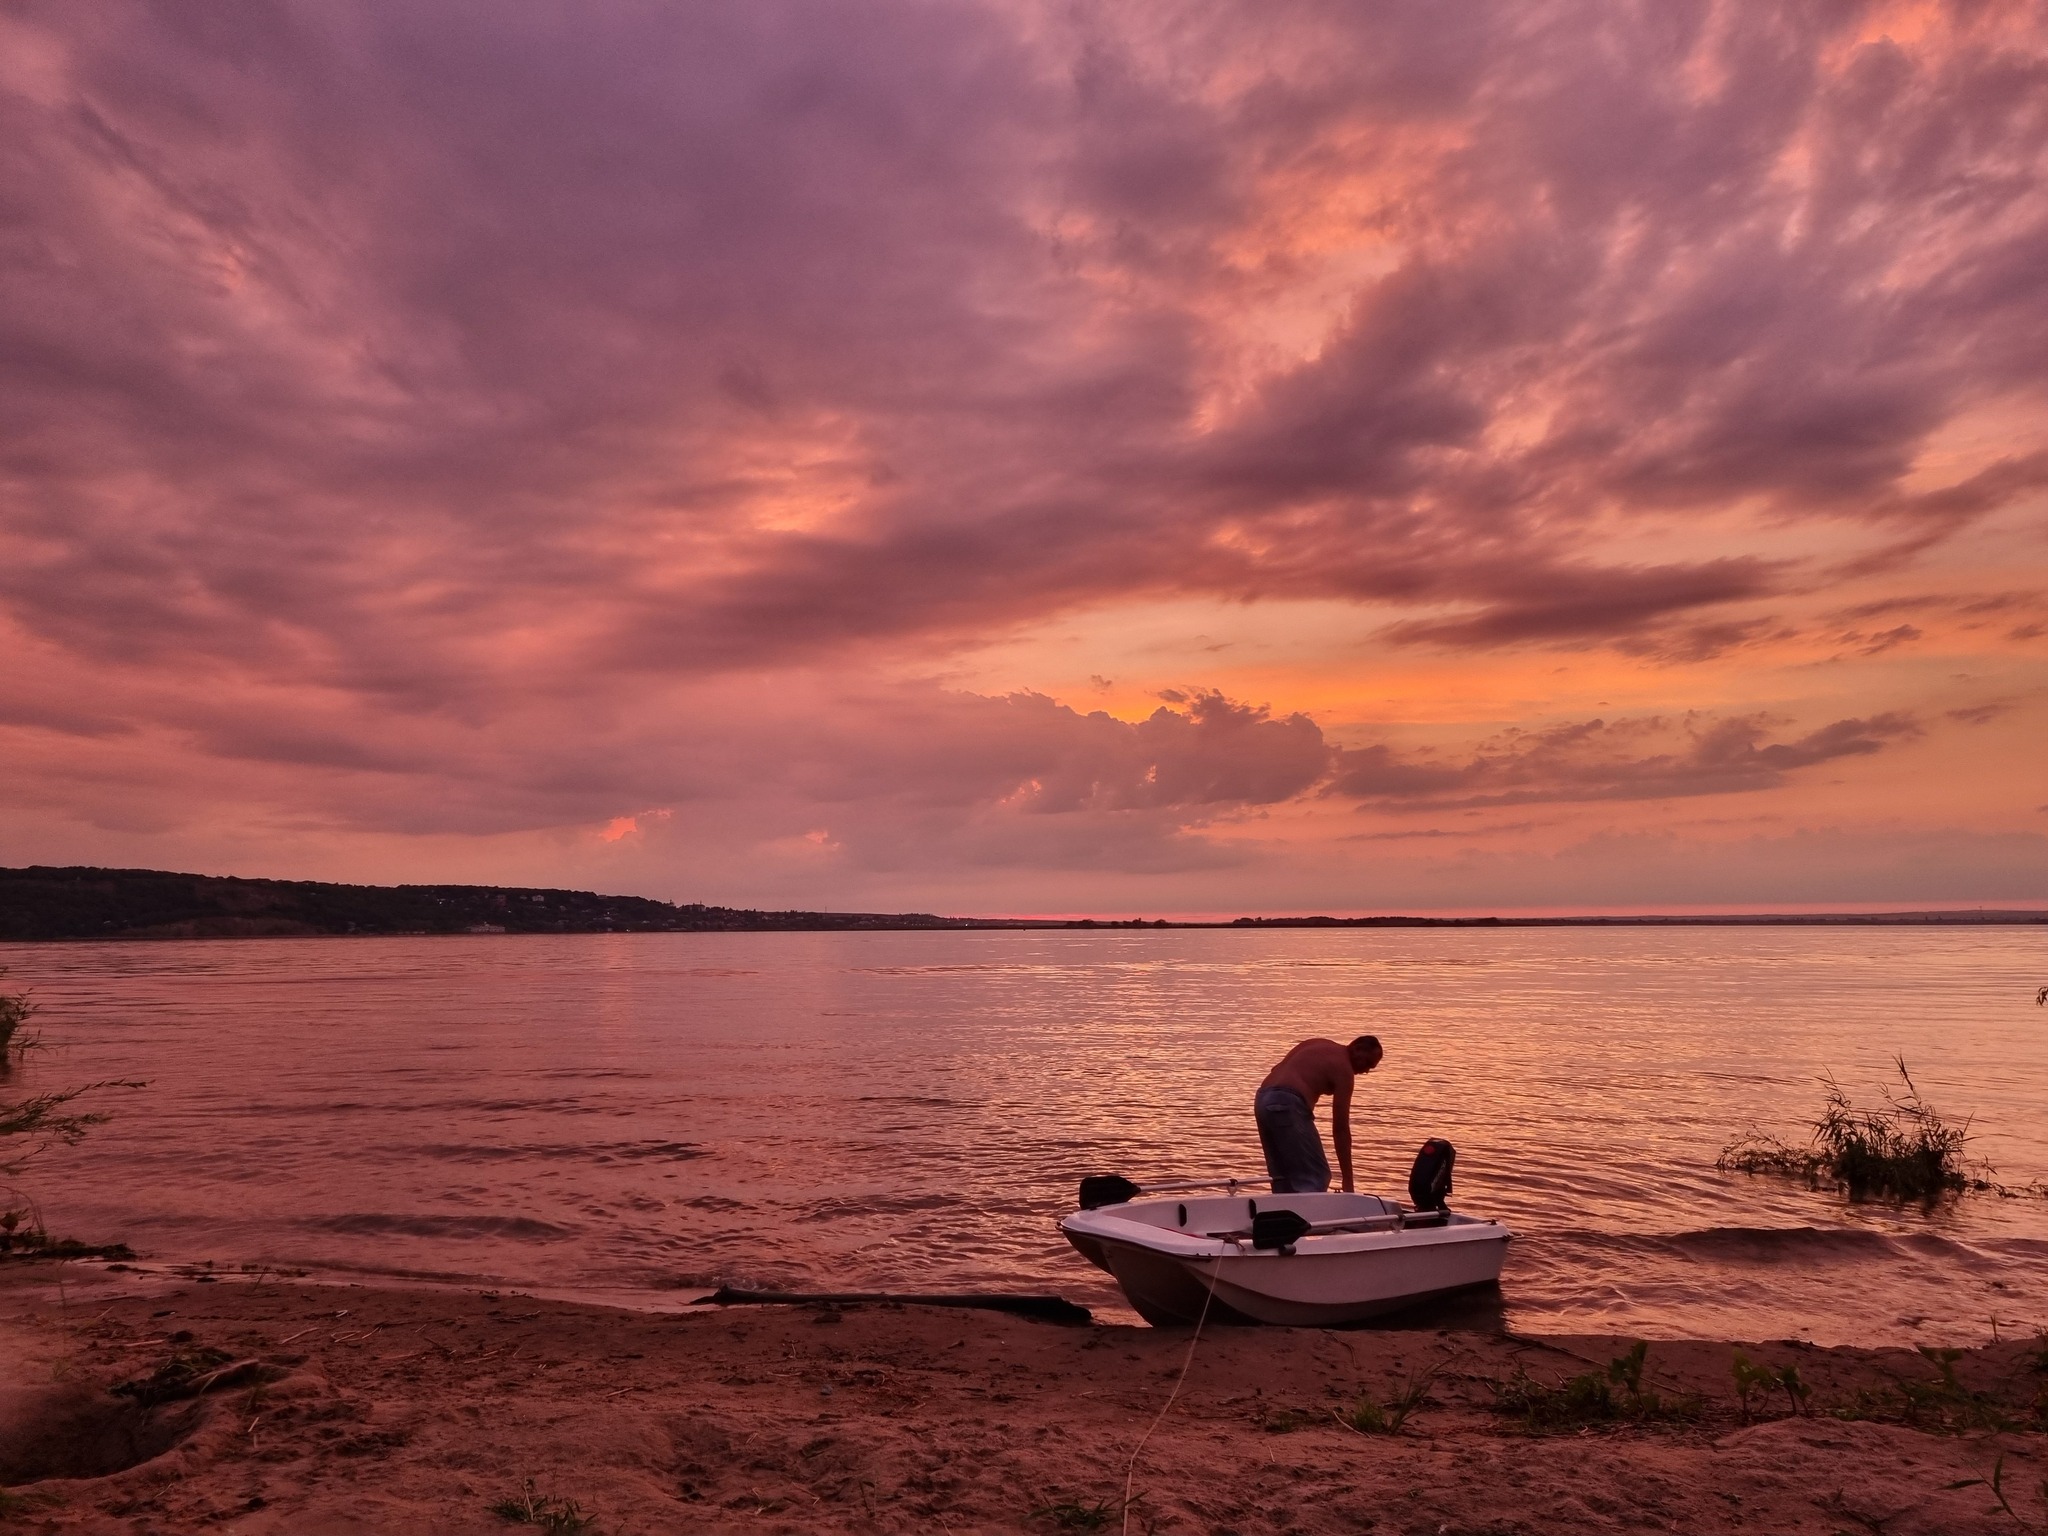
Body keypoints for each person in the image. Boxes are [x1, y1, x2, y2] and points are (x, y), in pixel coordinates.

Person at [1254, 1036, 1382, 1194]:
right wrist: (1347, 1180)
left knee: (1283, 1177)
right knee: (1317, 1176)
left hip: (1262, 1100)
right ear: (1357, 1049)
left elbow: (1276, 1069)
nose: (1366, 1071)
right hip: (1287, 1103)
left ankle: (1282, 1213)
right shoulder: (1344, 1069)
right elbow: (1340, 1129)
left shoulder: (1318, 1044)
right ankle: (1311, 1216)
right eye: (1368, 1063)